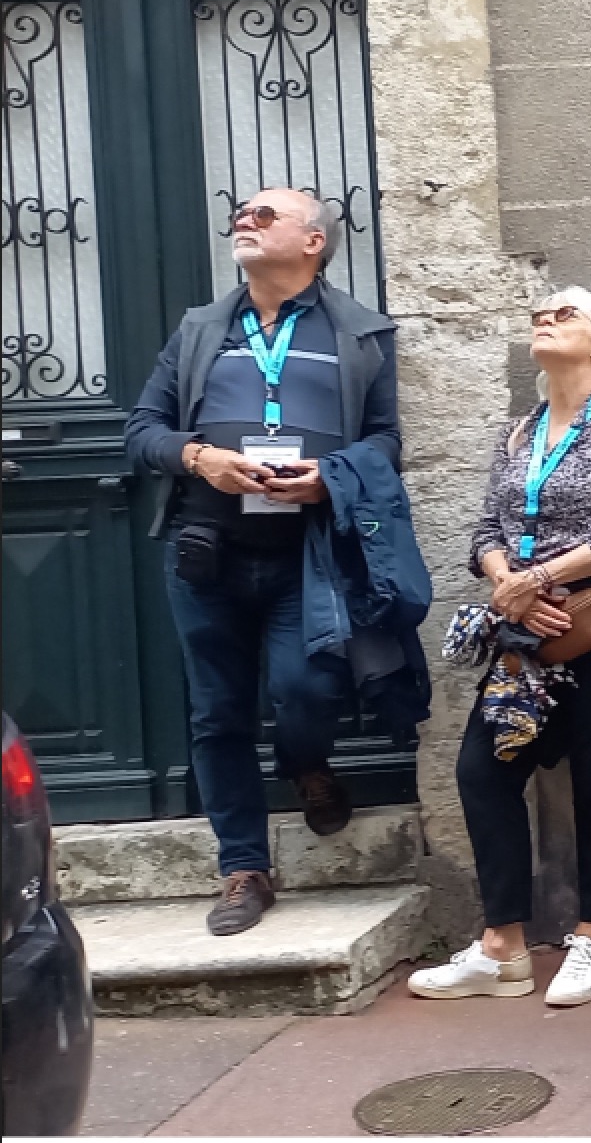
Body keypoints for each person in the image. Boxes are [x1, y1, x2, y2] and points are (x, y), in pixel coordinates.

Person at [124, 187, 412, 936]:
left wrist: (331, 477)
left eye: (263, 215)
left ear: (313, 241)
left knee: (305, 690)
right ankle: (244, 867)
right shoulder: (199, 330)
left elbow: (386, 442)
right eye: (240, 214)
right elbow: (142, 430)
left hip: (307, 558)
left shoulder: (360, 334)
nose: (242, 222)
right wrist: (199, 457)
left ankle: (307, 763)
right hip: (206, 552)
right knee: (216, 712)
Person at [408, 287, 591, 1009]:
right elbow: (484, 532)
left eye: (566, 315)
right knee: (482, 773)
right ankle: (502, 947)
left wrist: (539, 579)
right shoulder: (518, 434)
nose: (546, 319)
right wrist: (508, 583)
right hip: (525, 637)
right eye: (540, 314)